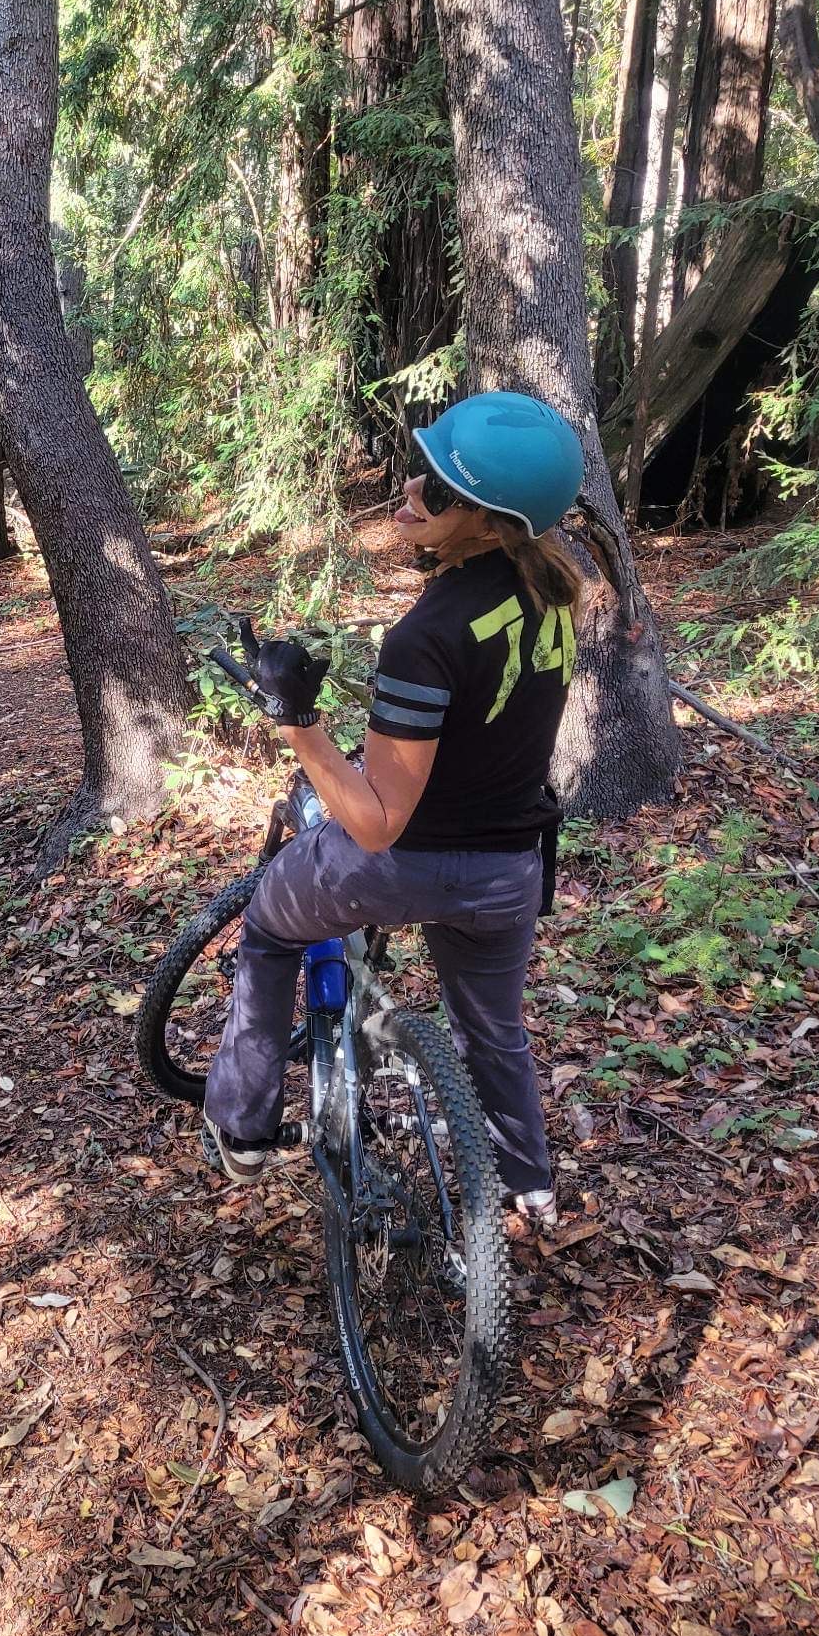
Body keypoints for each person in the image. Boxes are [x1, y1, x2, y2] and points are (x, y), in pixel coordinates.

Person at [203, 389, 587, 1228]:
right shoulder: (557, 593)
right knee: (495, 1027)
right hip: (509, 870)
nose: (411, 493)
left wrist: (296, 719)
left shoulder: (427, 635)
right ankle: (530, 1182)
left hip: (398, 865)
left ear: (490, 525)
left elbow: (377, 821)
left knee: (269, 931)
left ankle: (242, 1128)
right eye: (423, 473)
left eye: (439, 493)